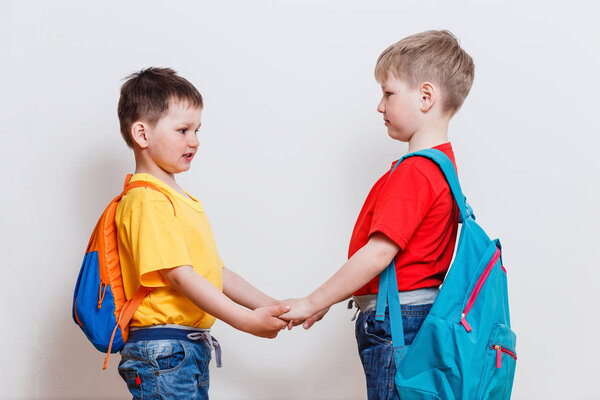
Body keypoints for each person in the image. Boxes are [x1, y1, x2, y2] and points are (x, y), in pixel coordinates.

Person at [280, 30, 475, 399]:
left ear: (426, 96)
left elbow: (378, 254)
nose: (380, 106)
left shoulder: (416, 171)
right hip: (416, 317)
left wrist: (313, 301)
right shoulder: (443, 166)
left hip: (399, 326)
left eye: (388, 93)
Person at [114, 67, 289, 399]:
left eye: (196, 130)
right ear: (142, 134)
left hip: (182, 347)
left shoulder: (177, 199)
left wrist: (271, 306)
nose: (194, 140)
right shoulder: (148, 200)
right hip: (163, 350)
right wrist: (245, 321)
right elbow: (180, 276)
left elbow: (213, 273)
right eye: (182, 129)